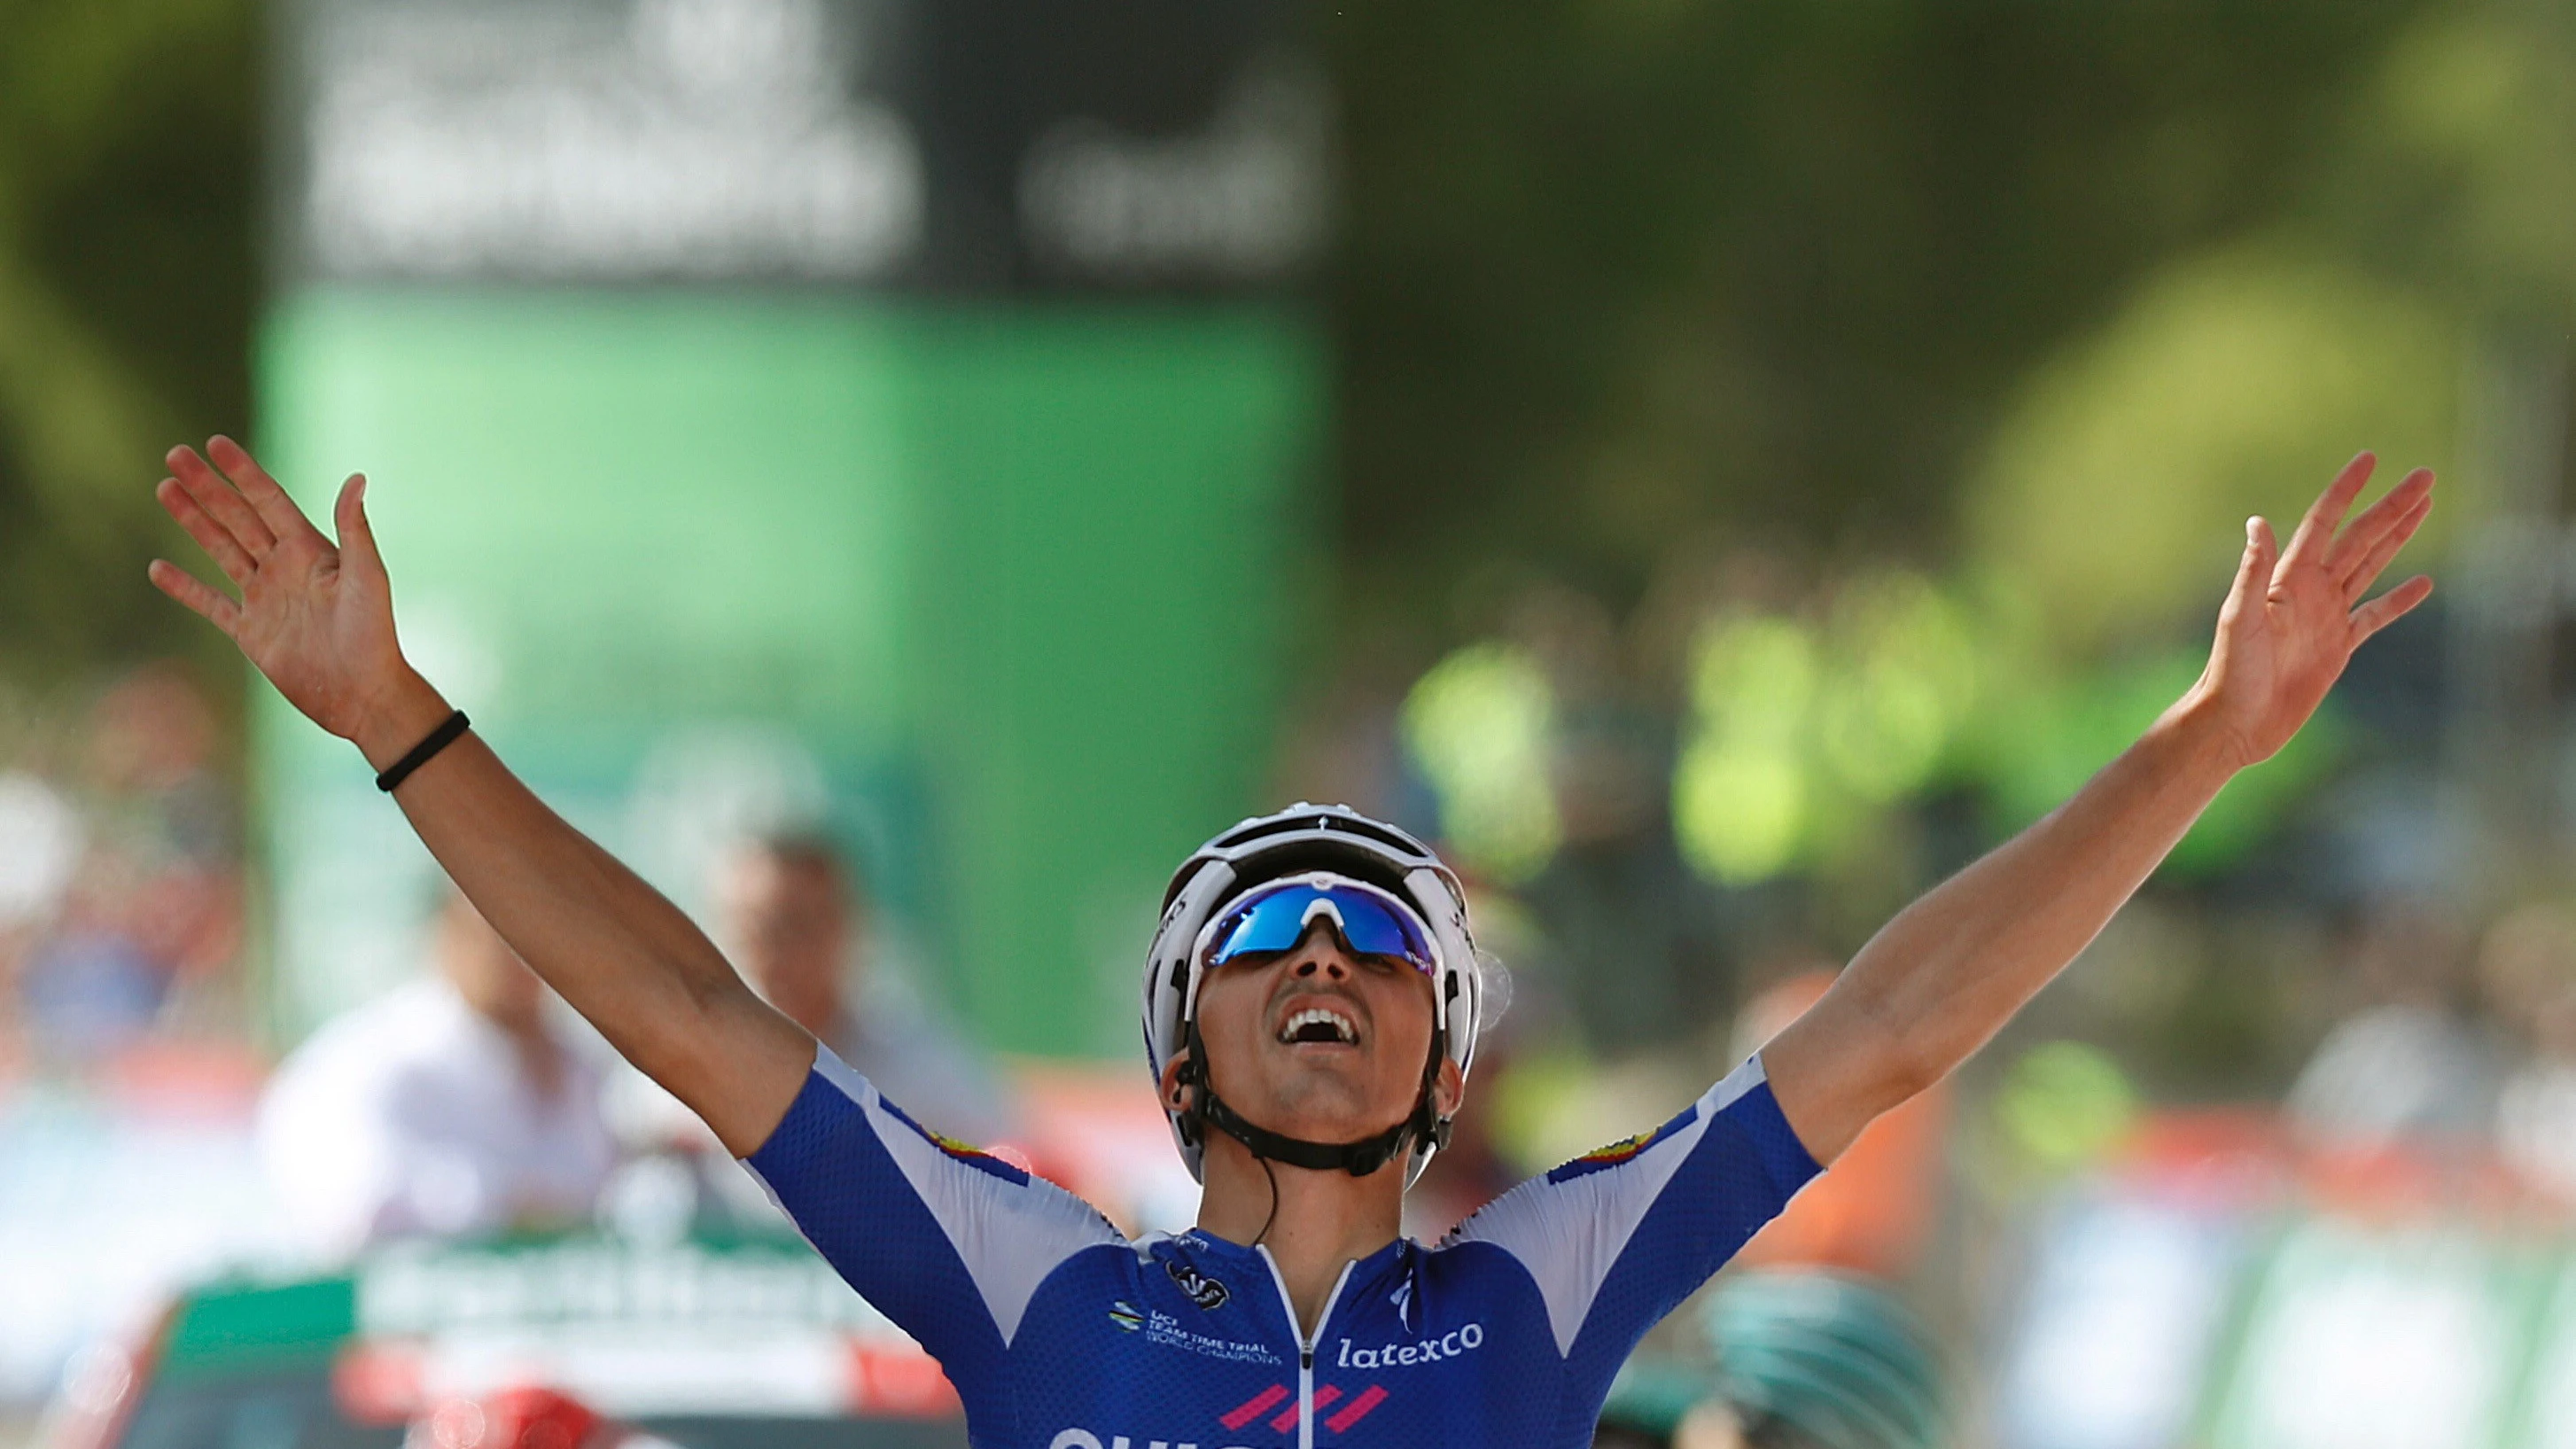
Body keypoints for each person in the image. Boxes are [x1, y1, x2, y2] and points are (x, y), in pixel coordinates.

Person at [150, 436, 2431, 1446]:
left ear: (1448, 1058)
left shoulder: (1546, 1278)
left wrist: (2203, 746)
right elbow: (678, 1010)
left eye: (1383, 938)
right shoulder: (1034, 1277)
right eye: (1265, 935)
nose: (1327, 953)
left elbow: (1899, 1017)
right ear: (1178, 1043)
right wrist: (399, 724)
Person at [257, 887, 617, 1258]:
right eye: (503, 933)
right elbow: (349, 1199)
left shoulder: (578, 1065)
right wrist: (509, 1205)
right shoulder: (369, 1063)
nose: (523, 956)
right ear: (449, 937)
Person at [715, 829, 1016, 1146]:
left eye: (800, 925)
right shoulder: (689, 1074)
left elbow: (1014, 1173)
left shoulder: (922, 1067)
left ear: (846, 925)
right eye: (761, 930)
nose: (782, 954)